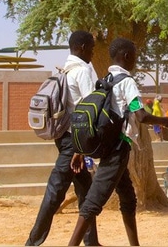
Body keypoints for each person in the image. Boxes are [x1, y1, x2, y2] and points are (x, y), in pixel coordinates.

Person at [67, 37, 168, 246]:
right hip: (118, 148)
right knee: (93, 202)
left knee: (128, 198)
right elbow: (141, 116)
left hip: (108, 144)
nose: (135, 60)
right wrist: (166, 121)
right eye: (134, 56)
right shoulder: (127, 82)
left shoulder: (106, 79)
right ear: (126, 56)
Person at [26, 30, 100, 246]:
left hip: (64, 136)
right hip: (73, 141)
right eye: (92, 49)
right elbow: (89, 109)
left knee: (86, 189)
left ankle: (91, 240)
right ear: (83, 48)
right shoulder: (83, 71)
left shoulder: (64, 70)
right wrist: (82, 147)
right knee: (55, 190)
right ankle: (33, 241)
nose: (94, 53)